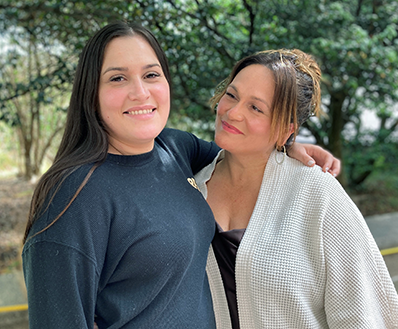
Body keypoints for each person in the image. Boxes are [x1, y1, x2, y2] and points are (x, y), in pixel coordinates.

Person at [22, 21, 339, 328]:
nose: (140, 92)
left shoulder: (175, 148)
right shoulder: (73, 196)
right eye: (118, 78)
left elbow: (239, 154)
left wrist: (286, 146)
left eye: (151, 74)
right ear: (91, 92)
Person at [195, 49, 398, 328]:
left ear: (285, 129)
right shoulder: (190, 188)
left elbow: (362, 314)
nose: (232, 112)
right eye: (231, 95)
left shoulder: (318, 194)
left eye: (255, 107)